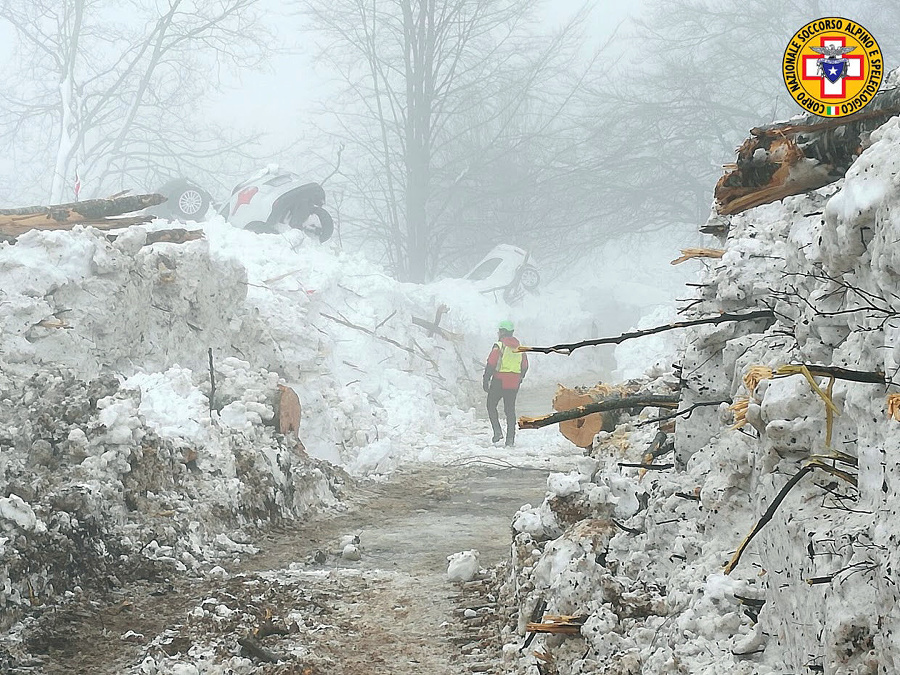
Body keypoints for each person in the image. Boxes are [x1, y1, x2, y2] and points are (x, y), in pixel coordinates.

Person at [483, 320, 528, 447]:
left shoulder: (499, 346)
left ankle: (497, 432)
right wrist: (520, 378)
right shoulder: (520, 348)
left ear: (502, 332)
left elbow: (491, 363)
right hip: (513, 383)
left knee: (491, 405)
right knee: (510, 410)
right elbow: (525, 366)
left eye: (499, 331)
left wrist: (485, 379)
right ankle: (510, 440)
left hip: (499, 381)